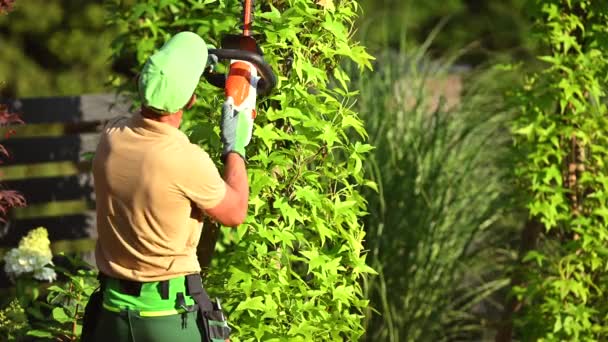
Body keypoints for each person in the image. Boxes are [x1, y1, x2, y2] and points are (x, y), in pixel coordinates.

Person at [81, 31, 257, 341]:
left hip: (111, 316)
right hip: (168, 320)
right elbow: (235, 211)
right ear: (191, 99)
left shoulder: (112, 137)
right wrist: (235, 146)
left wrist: (188, 67)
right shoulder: (185, 160)